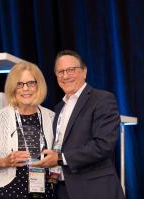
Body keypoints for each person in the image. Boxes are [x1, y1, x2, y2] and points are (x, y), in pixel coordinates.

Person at [31, 50, 125, 199]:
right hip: (62, 188)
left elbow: (103, 145)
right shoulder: (58, 108)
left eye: (71, 70)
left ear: (84, 71)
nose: (66, 76)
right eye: (60, 72)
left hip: (94, 189)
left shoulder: (102, 99)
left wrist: (61, 158)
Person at [0, 62, 56, 199]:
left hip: (45, 193)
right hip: (7, 193)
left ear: (39, 85)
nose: (26, 89)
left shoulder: (51, 116)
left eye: (31, 83)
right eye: (20, 84)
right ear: (13, 88)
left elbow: (57, 157)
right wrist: (5, 162)